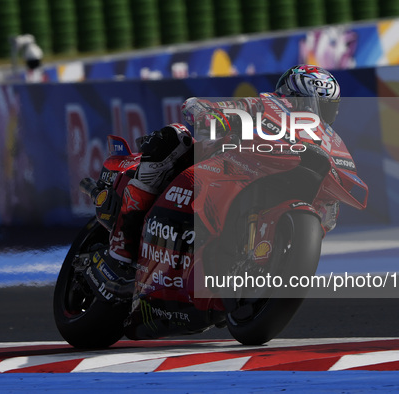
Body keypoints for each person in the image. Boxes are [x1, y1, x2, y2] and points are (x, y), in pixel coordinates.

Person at [102, 64, 341, 287]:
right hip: (220, 163)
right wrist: (210, 113)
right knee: (175, 136)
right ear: (290, 96)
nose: (315, 114)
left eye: (325, 107)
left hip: (268, 177)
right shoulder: (265, 105)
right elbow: (198, 106)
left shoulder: (326, 141)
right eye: (310, 104)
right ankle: (122, 245)